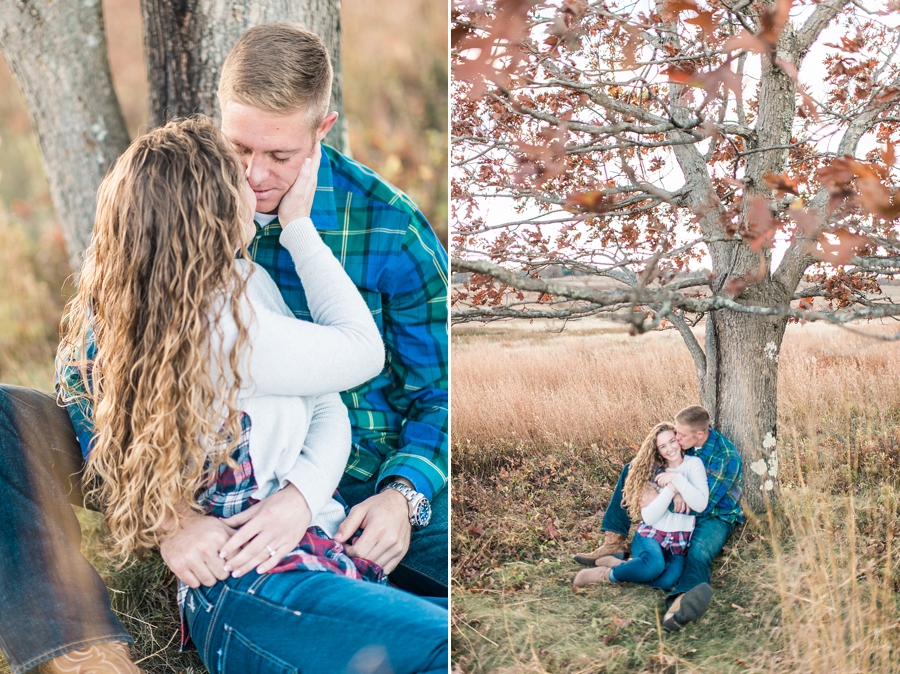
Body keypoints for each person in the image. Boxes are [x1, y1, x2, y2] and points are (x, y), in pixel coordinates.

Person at [0, 22, 447, 673]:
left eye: (280, 157)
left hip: (343, 478)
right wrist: (165, 513)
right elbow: (94, 368)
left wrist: (402, 493)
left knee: (437, 589)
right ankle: (80, 652)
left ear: (322, 131)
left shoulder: (384, 228)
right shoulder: (178, 189)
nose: (256, 176)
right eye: (239, 151)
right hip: (187, 472)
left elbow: (421, 392)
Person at [573, 406, 742, 630]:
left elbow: (703, 506)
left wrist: (664, 493)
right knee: (631, 469)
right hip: (673, 518)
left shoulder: (725, 457)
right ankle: (613, 541)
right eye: (675, 435)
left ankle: (680, 603)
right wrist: (654, 486)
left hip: (716, 515)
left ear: (699, 435)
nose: (676, 439)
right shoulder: (685, 444)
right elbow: (660, 468)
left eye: (679, 436)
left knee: (698, 552)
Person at [572, 423, 708, 589]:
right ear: (657, 450)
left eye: (672, 441)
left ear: (678, 440)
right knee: (653, 566)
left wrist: (676, 479)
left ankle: (620, 564)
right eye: (663, 446)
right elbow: (650, 518)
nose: (670, 449)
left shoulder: (694, 464)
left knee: (667, 580)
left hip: (677, 541)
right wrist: (672, 490)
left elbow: (700, 505)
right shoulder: (653, 472)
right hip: (651, 535)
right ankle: (606, 574)